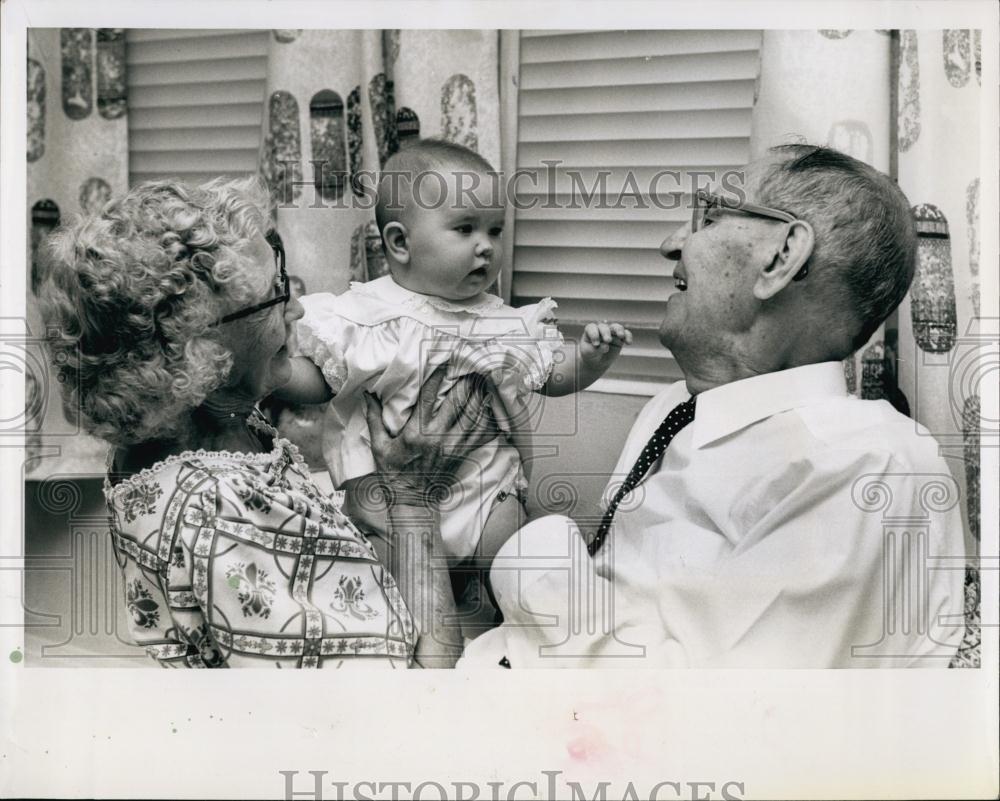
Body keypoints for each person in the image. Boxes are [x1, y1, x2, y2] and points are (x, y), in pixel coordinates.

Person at [461, 144, 967, 668]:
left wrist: (527, 554)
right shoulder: (676, 406)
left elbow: (707, 719)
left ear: (780, 256)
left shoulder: (871, 471)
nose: (671, 244)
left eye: (708, 215)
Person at [40, 177, 493, 668]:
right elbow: (408, 710)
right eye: (274, 293)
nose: (297, 307)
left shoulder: (205, 426)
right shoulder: (219, 515)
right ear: (197, 344)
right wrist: (412, 502)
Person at [274, 138, 632, 624]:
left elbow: (550, 376)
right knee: (382, 596)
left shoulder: (504, 323)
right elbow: (320, 380)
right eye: (464, 229)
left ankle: (523, 634)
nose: (485, 246)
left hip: (485, 491)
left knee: (519, 568)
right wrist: (269, 374)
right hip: (388, 502)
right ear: (400, 243)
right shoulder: (366, 317)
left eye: (495, 230)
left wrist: (590, 361)